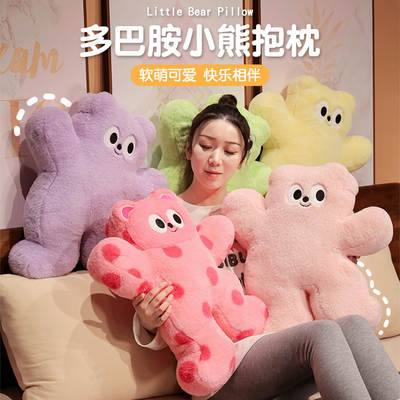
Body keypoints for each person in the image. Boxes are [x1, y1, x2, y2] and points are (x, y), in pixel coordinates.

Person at [132, 95, 400, 400]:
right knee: (323, 332)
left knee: (352, 324)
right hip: (220, 365)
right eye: (205, 146)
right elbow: (165, 299)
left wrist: (336, 256)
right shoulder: (168, 217)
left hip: (275, 341)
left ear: (242, 159)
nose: (215, 159)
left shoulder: (258, 213)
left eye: (229, 151)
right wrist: (147, 322)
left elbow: (305, 256)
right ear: (188, 149)